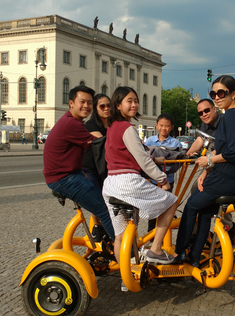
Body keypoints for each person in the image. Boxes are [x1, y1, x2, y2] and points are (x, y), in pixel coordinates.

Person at [175, 75, 235, 267]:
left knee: (191, 207)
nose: (216, 96)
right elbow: (223, 149)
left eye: (221, 93)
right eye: (213, 93)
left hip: (227, 178)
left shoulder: (231, 116)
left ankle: (181, 251)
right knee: (206, 213)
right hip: (233, 177)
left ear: (233, 94)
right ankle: (194, 257)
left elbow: (233, 152)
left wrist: (207, 159)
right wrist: (206, 171)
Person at [102, 86, 178, 267]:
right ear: (118, 105)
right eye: (129, 101)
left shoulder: (112, 127)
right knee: (172, 202)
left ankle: (125, 277)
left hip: (111, 183)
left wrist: (154, 158)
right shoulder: (127, 127)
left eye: (136, 101)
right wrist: (162, 180)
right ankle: (156, 249)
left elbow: (126, 152)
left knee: (120, 236)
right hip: (128, 181)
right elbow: (142, 159)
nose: (134, 104)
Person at [43, 85, 115, 242]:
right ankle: (126, 253)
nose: (86, 106)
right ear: (71, 103)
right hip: (63, 178)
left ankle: (107, 243)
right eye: (82, 102)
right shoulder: (72, 124)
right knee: (104, 210)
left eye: (89, 103)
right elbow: (100, 145)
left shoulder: (72, 121)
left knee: (104, 204)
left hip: (70, 174)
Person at [144, 113, 183, 232]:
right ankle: (151, 233)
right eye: (161, 125)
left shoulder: (175, 143)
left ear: (171, 127)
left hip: (168, 180)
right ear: (156, 125)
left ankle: (163, 235)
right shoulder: (150, 141)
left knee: (165, 208)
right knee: (152, 207)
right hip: (152, 180)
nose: (163, 128)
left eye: (166, 126)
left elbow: (179, 161)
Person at [81, 93, 112, 240]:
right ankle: (97, 226)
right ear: (96, 108)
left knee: (108, 198)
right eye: (102, 106)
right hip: (90, 166)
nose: (106, 108)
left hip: (105, 167)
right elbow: (103, 141)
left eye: (108, 105)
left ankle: (106, 228)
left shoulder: (112, 124)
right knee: (96, 197)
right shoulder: (91, 124)